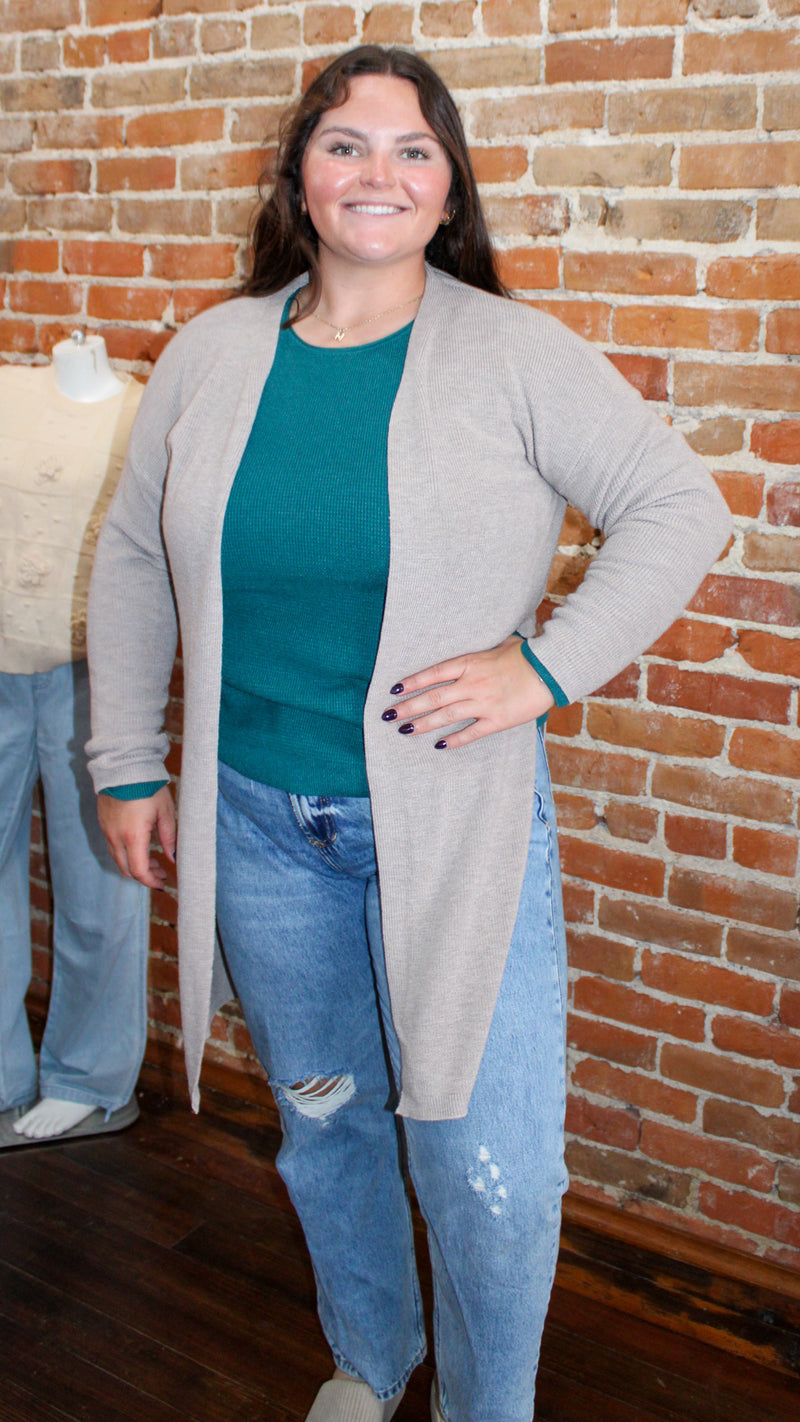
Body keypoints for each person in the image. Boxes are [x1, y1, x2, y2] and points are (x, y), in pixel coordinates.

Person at [87, 44, 732, 1422]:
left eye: (412, 149)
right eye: (344, 144)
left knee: (488, 1170)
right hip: (255, 821)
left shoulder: (508, 352)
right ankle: (369, 1361)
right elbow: (135, 558)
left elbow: (680, 506)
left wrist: (541, 667)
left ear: (448, 192)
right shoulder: (213, 352)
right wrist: (127, 763)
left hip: (452, 831)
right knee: (324, 1118)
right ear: (299, 178)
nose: (375, 172)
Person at [0, 332, 148, 1149]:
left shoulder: (142, 413)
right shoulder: (7, 394)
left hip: (93, 670)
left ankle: (89, 1081)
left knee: (100, 881)